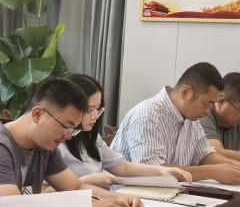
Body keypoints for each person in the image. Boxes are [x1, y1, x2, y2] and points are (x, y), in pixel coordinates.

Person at [0, 78, 144, 207]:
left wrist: (121, 199)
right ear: (37, 114)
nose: (68, 136)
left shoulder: (44, 144)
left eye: (73, 129)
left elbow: (75, 186)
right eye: (66, 126)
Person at [110, 63, 240, 184]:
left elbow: (204, 155)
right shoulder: (147, 115)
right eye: (207, 104)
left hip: (170, 196)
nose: (208, 111)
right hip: (130, 201)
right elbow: (153, 172)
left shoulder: (191, 117)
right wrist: (212, 172)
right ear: (186, 93)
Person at [59, 74, 194, 188]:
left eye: (98, 109)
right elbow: (48, 192)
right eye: (90, 110)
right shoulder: (56, 142)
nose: (95, 116)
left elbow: (122, 167)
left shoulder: (90, 137)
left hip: (97, 201)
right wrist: (84, 182)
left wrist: (161, 170)